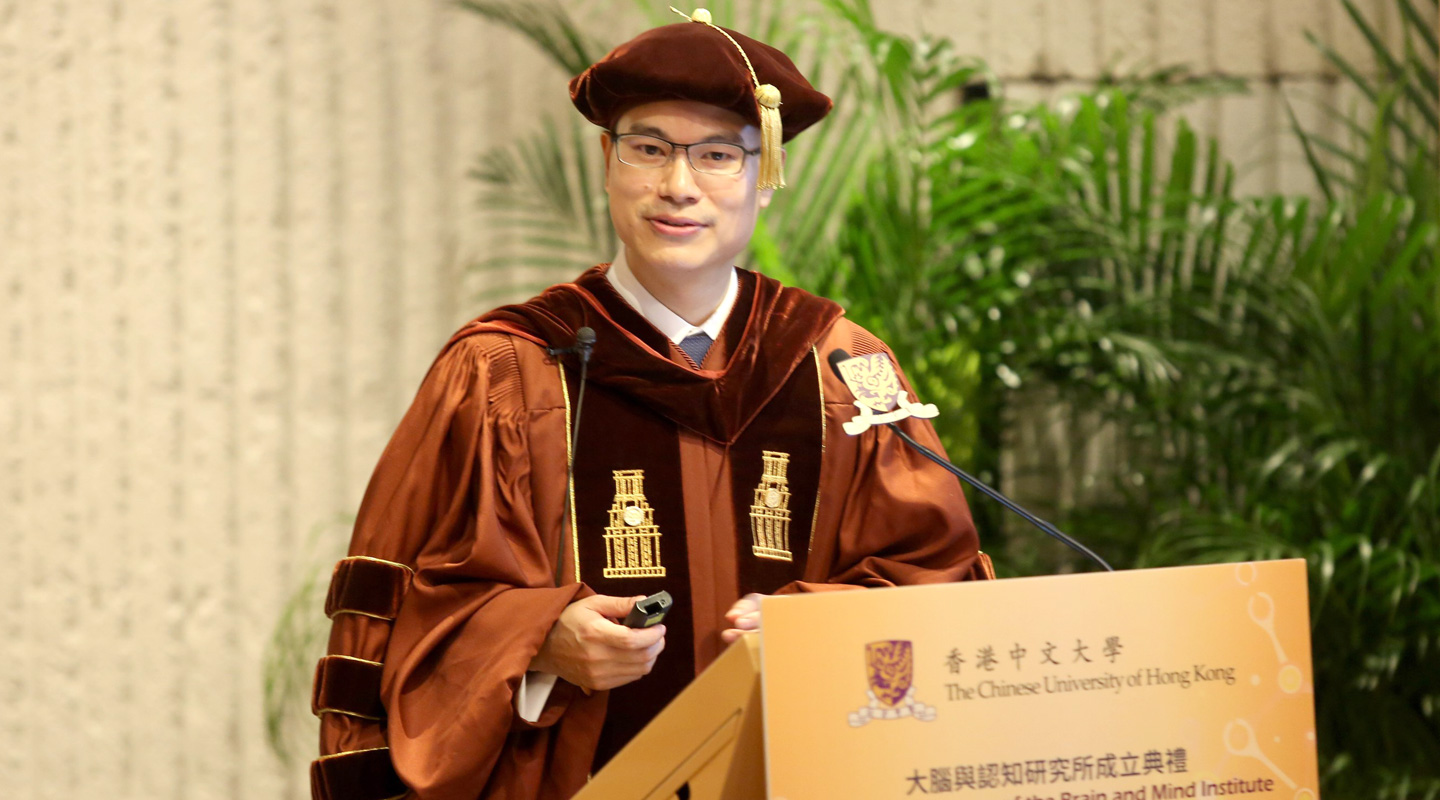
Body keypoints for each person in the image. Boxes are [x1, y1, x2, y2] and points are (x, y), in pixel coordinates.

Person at [308, 9, 990, 800]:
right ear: (607, 160)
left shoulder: (842, 366)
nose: (678, 185)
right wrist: (539, 645)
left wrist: (822, 635)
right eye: (649, 149)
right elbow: (402, 616)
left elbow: (938, 585)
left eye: (716, 156)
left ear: (762, 174)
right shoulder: (506, 368)